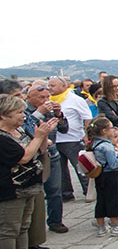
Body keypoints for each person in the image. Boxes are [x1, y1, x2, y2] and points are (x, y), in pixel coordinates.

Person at [0, 94, 56, 249]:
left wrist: (44, 133)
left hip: (29, 186)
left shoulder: (19, 132)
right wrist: (39, 136)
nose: (23, 116)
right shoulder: (2, 138)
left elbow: (38, 150)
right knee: (9, 229)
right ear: (3, 116)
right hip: (11, 190)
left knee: (24, 225)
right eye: (18, 112)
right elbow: (23, 157)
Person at [24, 83, 68, 235]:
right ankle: (33, 231)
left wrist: (59, 115)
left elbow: (64, 129)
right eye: (41, 97)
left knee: (55, 190)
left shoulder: (50, 110)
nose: (46, 100)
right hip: (34, 156)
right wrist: (39, 113)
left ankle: (56, 221)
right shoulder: (25, 111)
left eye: (48, 97)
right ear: (29, 98)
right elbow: (27, 129)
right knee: (35, 194)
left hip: (52, 153)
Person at [85, 117, 118, 238]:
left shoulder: (95, 143)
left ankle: (101, 227)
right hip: (111, 175)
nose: (113, 130)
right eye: (111, 128)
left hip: (100, 176)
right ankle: (116, 225)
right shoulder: (107, 146)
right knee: (114, 201)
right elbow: (113, 164)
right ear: (105, 131)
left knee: (101, 201)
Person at [51, 78, 92, 205]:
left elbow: (87, 117)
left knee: (80, 166)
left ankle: (89, 191)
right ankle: (66, 193)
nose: (50, 88)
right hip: (56, 140)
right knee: (61, 169)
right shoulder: (49, 101)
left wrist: (86, 134)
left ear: (63, 85)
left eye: (52, 85)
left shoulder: (75, 99)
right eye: (49, 85)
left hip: (73, 139)